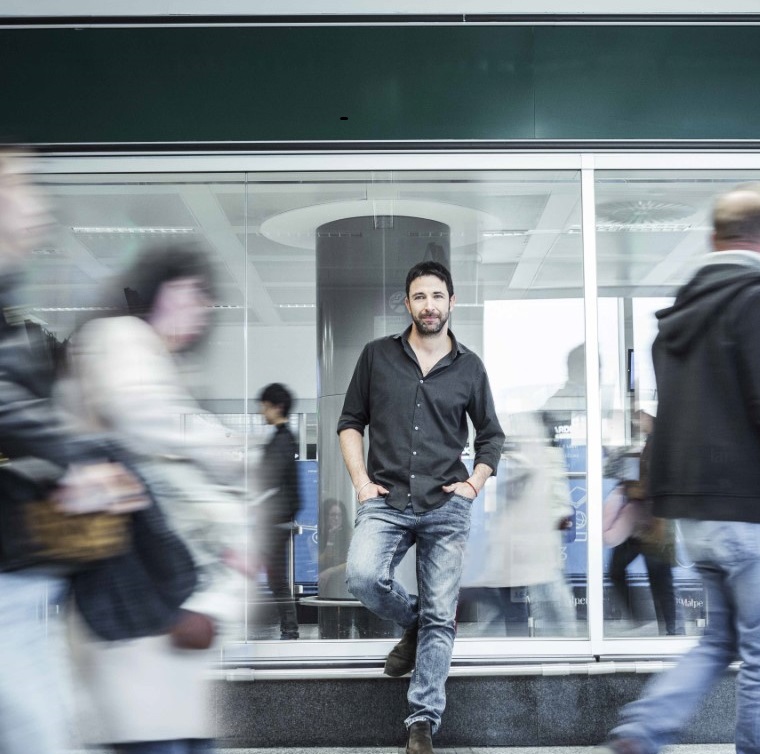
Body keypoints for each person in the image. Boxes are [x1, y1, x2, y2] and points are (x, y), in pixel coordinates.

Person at [594, 184, 760, 754]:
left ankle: (645, 728)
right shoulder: (755, 299)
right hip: (748, 508)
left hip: (697, 516)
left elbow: (670, 421)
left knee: (718, 642)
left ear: (715, 238)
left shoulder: (677, 318)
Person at [62, 243, 245, 754]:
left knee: (177, 736)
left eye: (203, 300)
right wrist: (227, 448)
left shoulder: (165, 364)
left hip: (168, 595)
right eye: (186, 294)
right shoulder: (121, 339)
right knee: (156, 737)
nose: (196, 310)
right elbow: (146, 419)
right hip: (132, 590)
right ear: (156, 291)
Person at [0, 149, 148, 754]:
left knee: (47, 722)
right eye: (19, 187)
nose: (37, 204)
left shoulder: (15, 311)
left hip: (24, 567)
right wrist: (78, 457)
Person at [338, 260, 504, 754]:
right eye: (419, 297)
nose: (429, 305)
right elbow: (351, 423)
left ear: (451, 302)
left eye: (437, 296)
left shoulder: (470, 367)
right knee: (363, 578)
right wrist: (361, 483)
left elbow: (491, 435)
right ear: (407, 304)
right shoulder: (376, 356)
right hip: (386, 499)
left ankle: (422, 722)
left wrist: (474, 484)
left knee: (441, 612)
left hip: (445, 505)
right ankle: (411, 621)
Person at [257, 382, 301, 640]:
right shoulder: (282, 438)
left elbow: (268, 477)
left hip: (275, 520)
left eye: (265, 406)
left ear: (277, 407)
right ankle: (289, 628)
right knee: (275, 577)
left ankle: (290, 629)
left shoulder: (283, 440)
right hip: (276, 519)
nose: (263, 412)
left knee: (276, 577)